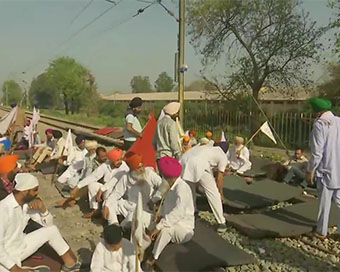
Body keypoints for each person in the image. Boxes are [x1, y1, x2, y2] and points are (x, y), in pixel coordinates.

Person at [0, 173, 80, 272]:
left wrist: (43, 210)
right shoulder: (3, 209)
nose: (37, 193)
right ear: (25, 191)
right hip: (6, 254)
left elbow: (48, 226)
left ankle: (71, 264)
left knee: (52, 230)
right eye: (35, 190)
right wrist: (15, 268)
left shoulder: (26, 205)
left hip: (21, 244)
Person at [142, 157, 195, 271]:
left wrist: (159, 226)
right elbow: (166, 206)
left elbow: (178, 213)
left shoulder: (182, 189)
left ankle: (152, 258)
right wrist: (159, 214)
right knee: (146, 218)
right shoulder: (169, 185)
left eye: (162, 175)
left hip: (183, 228)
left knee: (166, 229)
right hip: (168, 220)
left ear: (167, 176)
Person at [306, 98, 340, 239]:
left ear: (317, 112)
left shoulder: (320, 124)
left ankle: (321, 231)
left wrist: (311, 170)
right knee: (339, 200)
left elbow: (317, 152)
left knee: (324, 202)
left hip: (327, 168)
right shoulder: (338, 120)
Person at [103, 152, 162, 228]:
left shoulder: (149, 173)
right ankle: (115, 227)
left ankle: (121, 228)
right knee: (108, 204)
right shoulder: (126, 177)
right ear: (132, 169)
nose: (142, 169)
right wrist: (106, 205)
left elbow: (162, 185)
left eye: (142, 166)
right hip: (129, 205)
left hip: (145, 208)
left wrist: (154, 200)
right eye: (138, 168)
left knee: (133, 218)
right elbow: (117, 193)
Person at [180, 142, 229, 232]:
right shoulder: (223, 156)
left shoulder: (207, 147)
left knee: (189, 190)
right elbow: (219, 177)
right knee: (213, 192)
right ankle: (221, 222)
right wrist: (221, 194)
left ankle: (192, 212)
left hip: (183, 160)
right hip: (198, 164)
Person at [71, 149, 129, 218]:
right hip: (105, 188)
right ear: (111, 161)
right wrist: (78, 186)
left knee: (108, 192)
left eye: (120, 159)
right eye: (117, 160)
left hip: (117, 192)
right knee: (92, 185)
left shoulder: (124, 168)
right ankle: (96, 210)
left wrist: (101, 190)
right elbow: (94, 176)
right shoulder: (106, 165)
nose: (120, 162)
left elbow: (113, 183)